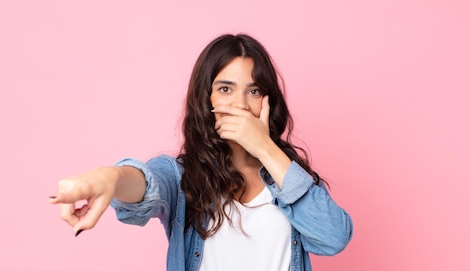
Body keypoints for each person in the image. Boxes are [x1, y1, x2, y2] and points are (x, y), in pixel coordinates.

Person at [49, 33, 353, 271]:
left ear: (268, 101)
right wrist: (111, 177)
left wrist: (264, 148)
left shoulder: (287, 175)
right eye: (225, 89)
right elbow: (148, 182)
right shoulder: (182, 177)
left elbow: (333, 237)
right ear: (205, 99)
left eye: (254, 90)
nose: (241, 104)